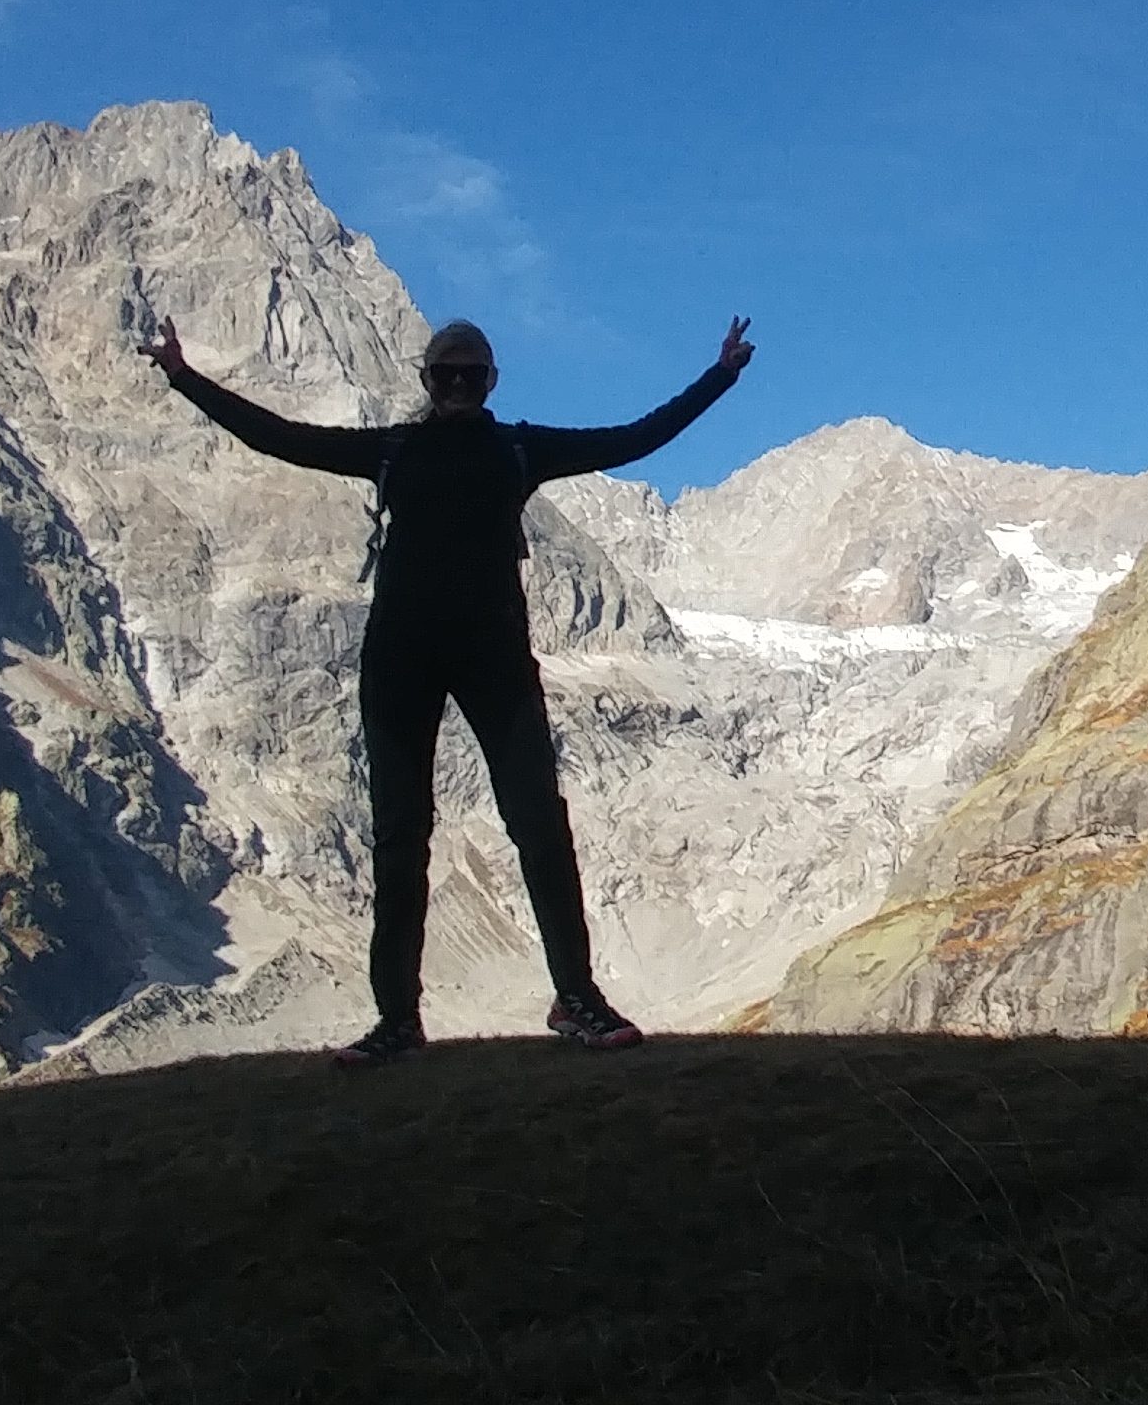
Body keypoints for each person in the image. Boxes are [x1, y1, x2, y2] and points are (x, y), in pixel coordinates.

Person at [142, 310, 755, 1067]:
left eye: (471, 374)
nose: (459, 384)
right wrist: (181, 375)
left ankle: (575, 998)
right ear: (426, 380)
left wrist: (720, 376)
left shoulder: (519, 448)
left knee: (538, 826)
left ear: (491, 381)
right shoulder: (394, 450)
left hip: (490, 657)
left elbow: (633, 438)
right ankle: (397, 1019)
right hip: (402, 659)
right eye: (445, 374)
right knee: (401, 839)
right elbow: (280, 436)